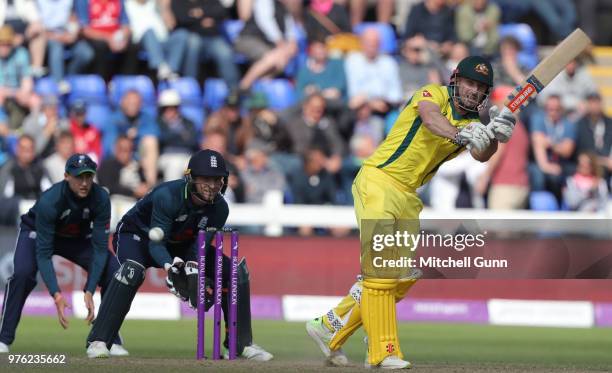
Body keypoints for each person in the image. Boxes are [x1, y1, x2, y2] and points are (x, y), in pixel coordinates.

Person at [306, 56, 516, 369]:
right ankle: (382, 352)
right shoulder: (431, 93)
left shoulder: (472, 123)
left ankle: (330, 325)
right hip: (378, 180)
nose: (473, 91)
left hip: (408, 196)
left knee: (401, 277)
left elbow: (482, 155)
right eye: (470, 83)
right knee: (380, 272)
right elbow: (431, 119)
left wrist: (496, 137)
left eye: (480, 87)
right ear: (456, 80)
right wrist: (462, 135)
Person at [86, 149, 273, 361]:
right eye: (205, 179)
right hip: (138, 236)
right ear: (191, 178)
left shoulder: (220, 209)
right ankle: (99, 340)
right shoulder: (168, 196)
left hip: (180, 243)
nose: (212, 186)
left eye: (217, 179)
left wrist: (193, 270)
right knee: (132, 271)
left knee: (233, 273)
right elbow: (157, 245)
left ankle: (240, 344)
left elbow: (199, 247)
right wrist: (171, 268)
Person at [0, 154, 127, 355]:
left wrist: (89, 289)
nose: (84, 183)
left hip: (76, 238)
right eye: (79, 177)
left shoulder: (101, 197)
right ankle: (3, 339)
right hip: (36, 233)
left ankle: (106, 339)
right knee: (23, 274)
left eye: (88, 176)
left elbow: (100, 248)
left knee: (113, 272)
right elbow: (43, 253)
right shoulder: (50, 200)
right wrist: (56, 294)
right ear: (67, 176)